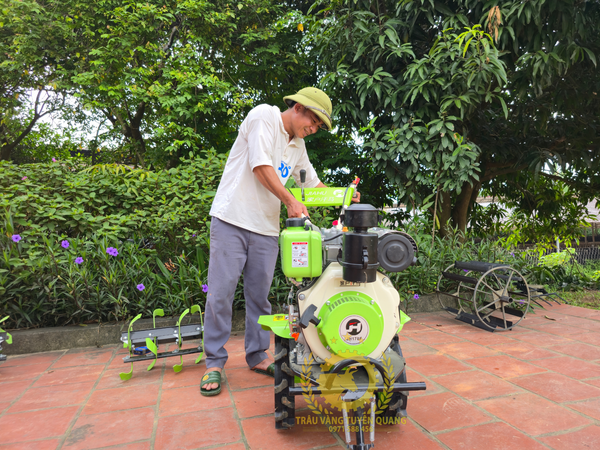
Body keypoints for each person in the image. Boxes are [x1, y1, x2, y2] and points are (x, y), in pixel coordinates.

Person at [200, 87, 359, 396]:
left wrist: (344, 196)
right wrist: (289, 201)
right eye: (313, 121)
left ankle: (256, 355)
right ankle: (214, 362)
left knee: (259, 297)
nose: (313, 129)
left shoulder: (298, 146)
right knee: (220, 294)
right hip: (232, 220)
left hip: (266, 228)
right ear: (298, 108)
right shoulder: (264, 117)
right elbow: (260, 167)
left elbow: (311, 184)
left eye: (318, 127)